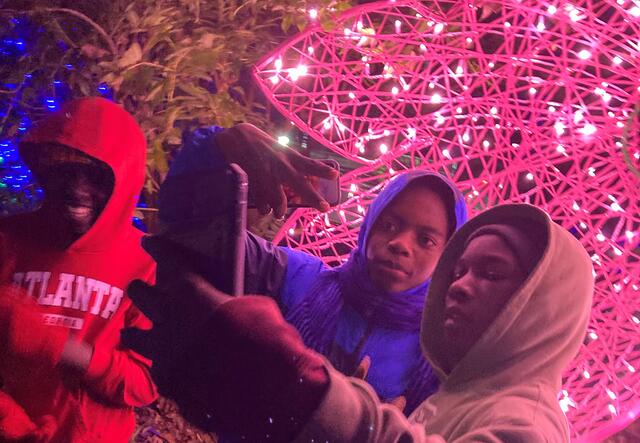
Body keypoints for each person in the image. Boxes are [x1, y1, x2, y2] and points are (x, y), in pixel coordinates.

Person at [123, 202, 594, 442]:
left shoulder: (526, 421)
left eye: (491, 274)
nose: (460, 285)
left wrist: (311, 394)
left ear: (542, 308)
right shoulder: (463, 389)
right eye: (462, 269)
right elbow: (205, 235)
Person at [167, 124, 468, 414]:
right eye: (390, 224)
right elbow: (194, 234)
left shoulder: (441, 360)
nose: (401, 244)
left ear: (447, 256)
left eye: (426, 240)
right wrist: (219, 151)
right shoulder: (295, 279)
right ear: (369, 226)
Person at [0, 97, 158, 442]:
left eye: (96, 176)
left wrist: (59, 347)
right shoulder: (7, 240)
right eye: (65, 170)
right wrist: (10, 422)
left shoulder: (145, 262)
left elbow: (145, 385)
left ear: (123, 180)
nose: (77, 189)